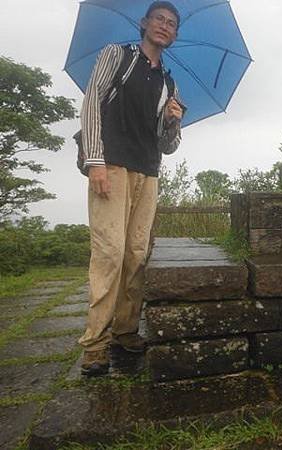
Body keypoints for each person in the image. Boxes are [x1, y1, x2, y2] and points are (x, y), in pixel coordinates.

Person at [78, 1, 184, 376]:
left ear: (175, 33)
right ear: (144, 23)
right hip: (112, 165)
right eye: (159, 19)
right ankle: (95, 344)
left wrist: (172, 121)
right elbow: (91, 103)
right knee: (109, 251)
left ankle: (125, 330)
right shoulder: (116, 56)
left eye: (172, 23)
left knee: (137, 254)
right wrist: (95, 161)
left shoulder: (169, 83)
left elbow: (169, 146)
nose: (165, 26)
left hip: (148, 172)